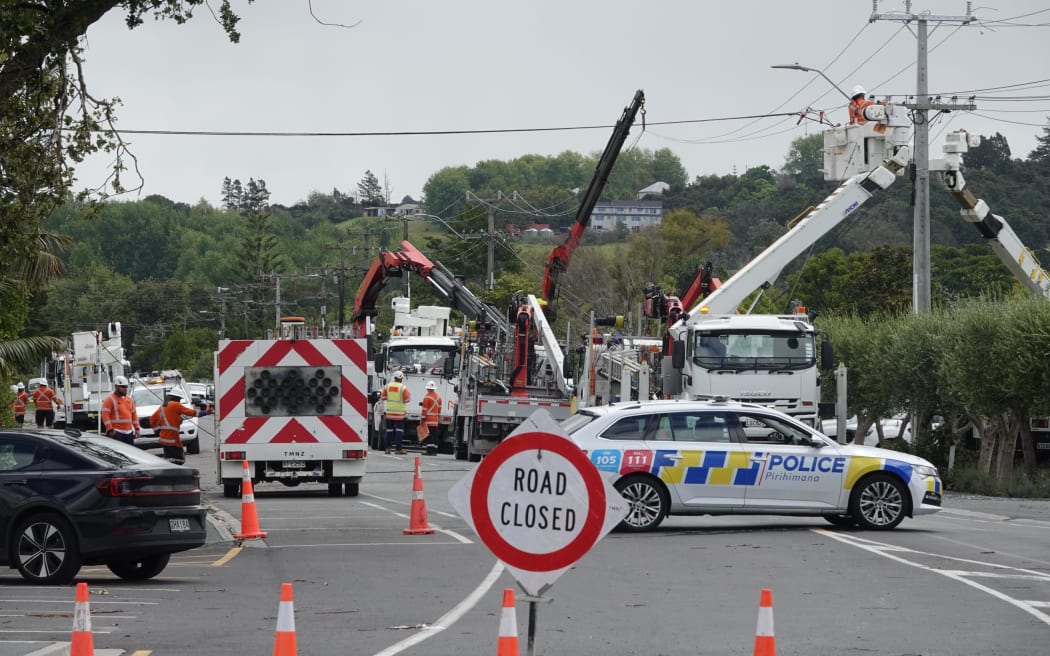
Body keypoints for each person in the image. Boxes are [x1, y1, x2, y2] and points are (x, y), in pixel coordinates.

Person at [150, 391, 197, 464]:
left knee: (170, 460)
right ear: (176, 398)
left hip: (164, 439)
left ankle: (169, 471)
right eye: (179, 399)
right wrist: (205, 412)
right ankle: (173, 472)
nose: (179, 401)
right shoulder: (175, 405)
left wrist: (157, 431)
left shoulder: (163, 406)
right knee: (180, 460)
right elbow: (191, 412)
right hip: (172, 439)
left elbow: (152, 419)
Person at [101, 375, 140, 445]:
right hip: (116, 432)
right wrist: (110, 429)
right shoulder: (110, 399)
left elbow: (134, 415)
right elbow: (105, 415)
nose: (125, 388)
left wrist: (137, 428)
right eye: (122, 387)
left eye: (126, 386)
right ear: (116, 387)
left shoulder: (129, 399)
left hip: (128, 432)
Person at [381, 370, 410, 454]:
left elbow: (383, 397)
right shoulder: (403, 388)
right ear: (401, 379)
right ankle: (398, 449)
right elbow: (407, 399)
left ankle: (387, 448)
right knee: (399, 431)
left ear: (394, 378)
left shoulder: (387, 386)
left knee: (389, 431)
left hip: (389, 413)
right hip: (399, 414)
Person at [419, 380, 443, 456]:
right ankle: (435, 451)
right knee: (435, 436)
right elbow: (439, 409)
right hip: (435, 420)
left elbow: (424, 410)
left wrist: (422, 419)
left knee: (429, 436)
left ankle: (429, 451)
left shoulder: (426, 397)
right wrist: (438, 417)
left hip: (428, 420)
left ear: (428, 389)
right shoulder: (439, 397)